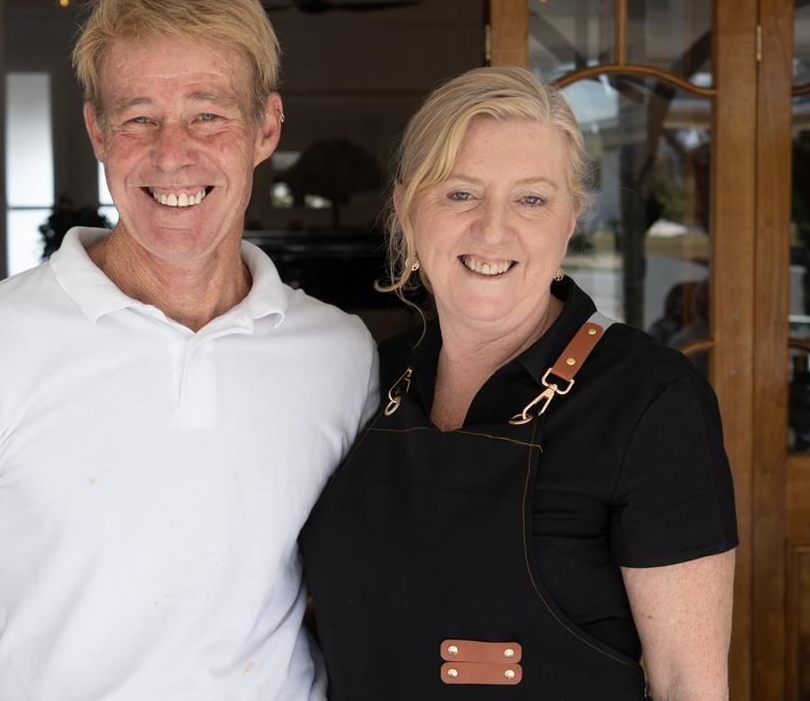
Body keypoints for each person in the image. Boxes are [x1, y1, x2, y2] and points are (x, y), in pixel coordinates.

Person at [0, 0, 376, 698]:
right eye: (139, 118)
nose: (172, 154)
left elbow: (369, 589)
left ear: (266, 129)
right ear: (97, 131)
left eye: (208, 114)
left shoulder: (341, 353)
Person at [299, 66, 737, 701]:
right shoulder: (371, 374)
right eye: (460, 194)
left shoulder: (650, 401)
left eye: (531, 198)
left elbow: (687, 684)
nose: (493, 230)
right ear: (405, 208)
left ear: (570, 220)